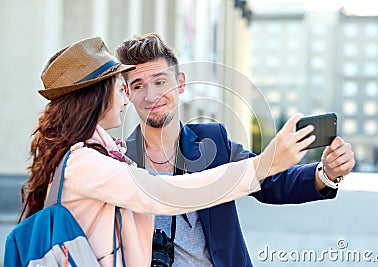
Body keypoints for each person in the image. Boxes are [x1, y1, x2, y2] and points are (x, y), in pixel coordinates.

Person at [19, 36, 318, 267]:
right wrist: (264, 163)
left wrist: (322, 174)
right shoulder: (89, 161)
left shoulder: (103, 154)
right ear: (97, 98)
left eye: (160, 82)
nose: (130, 98)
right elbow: (162, 193)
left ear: (180, 84)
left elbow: (275, 186)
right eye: (123, 87)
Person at [115, 33, 355, 267]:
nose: (152, 95)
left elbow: (270, 181)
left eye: (160, 82)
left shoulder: (214, 141)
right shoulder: (118, 161)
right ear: (127, 94)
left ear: (180, 83)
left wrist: (327, 173)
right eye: (138, 86)